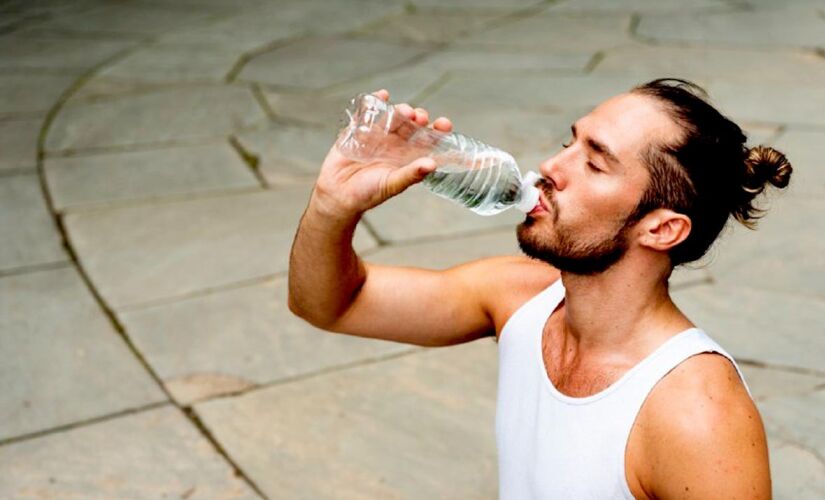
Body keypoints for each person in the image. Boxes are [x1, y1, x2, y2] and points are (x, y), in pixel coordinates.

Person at [288, 79, 792, 499]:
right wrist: (334, 205)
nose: (553, 166)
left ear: (661, 229)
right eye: (570, 141)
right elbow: (332, 304)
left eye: (594, 163)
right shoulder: (519, 297)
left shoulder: (696, 413)